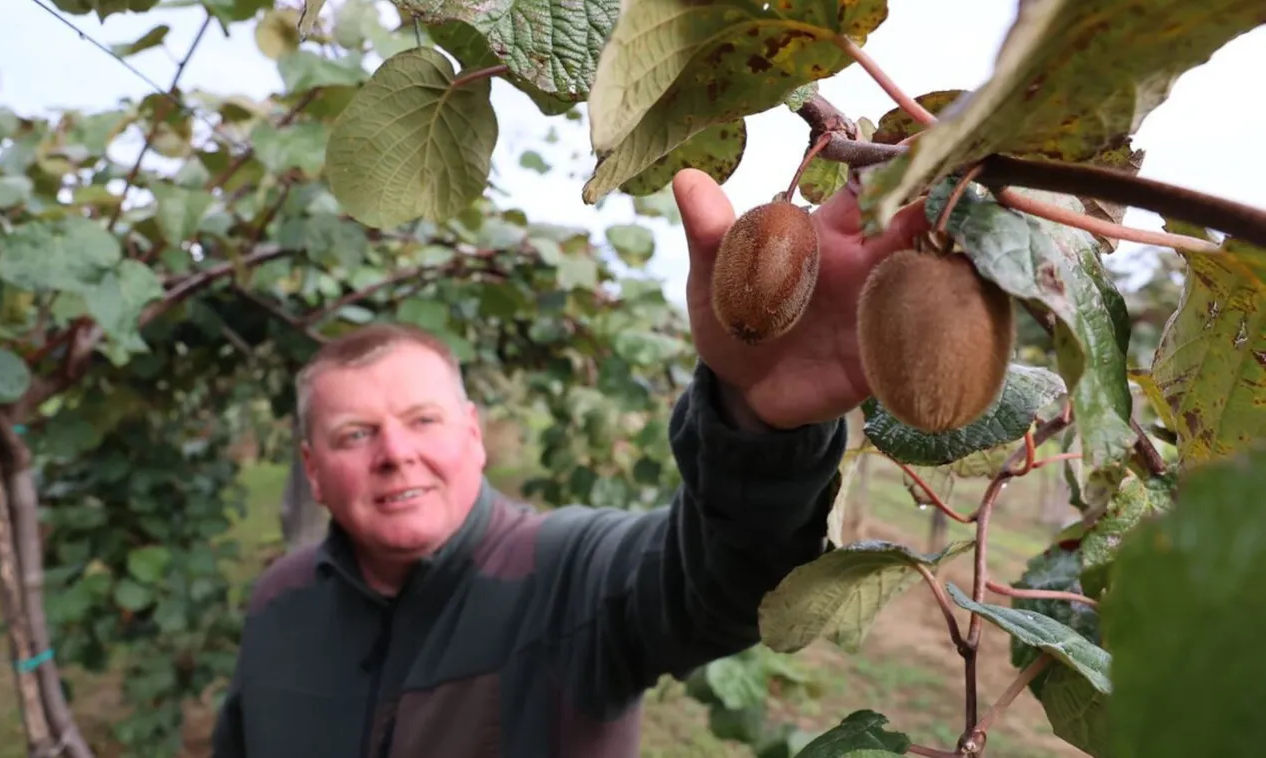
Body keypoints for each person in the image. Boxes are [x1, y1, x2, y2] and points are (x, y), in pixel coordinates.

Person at [209, 169, 929, 757]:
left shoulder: (569, 571)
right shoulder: (278, 600)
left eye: (422, 421)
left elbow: (724, 587)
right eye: (354, 435)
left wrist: (758, 426)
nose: (396, 454)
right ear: (311, 469)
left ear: (473, 434)